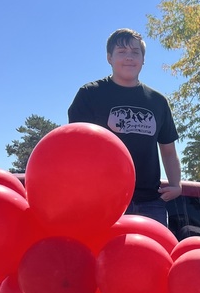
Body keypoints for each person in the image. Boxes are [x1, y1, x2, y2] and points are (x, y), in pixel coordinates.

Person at [68, 28, 181, 226]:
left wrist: (176, 184)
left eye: (135, 52)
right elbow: (76, 147)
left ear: (143, 59)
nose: (129, 57)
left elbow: (168, 150)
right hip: (102, 202)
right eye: (121, 52)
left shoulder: (158, 101)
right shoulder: (90, 94)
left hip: (151, 203)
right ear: (109, 58)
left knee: (150, 257)